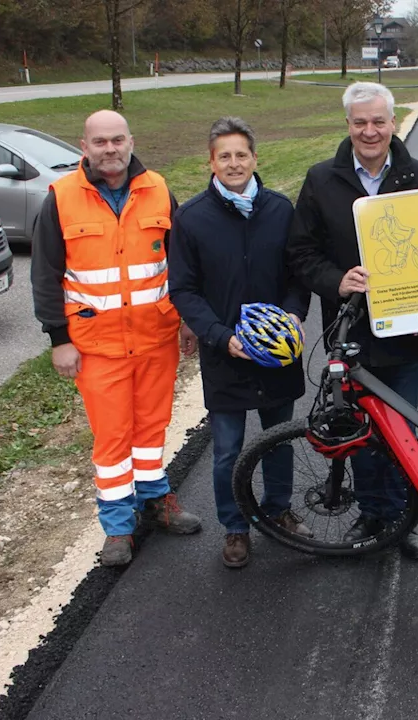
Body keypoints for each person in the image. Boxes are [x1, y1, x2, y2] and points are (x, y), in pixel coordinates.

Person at [285, 81, 418, 561]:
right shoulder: (321, 179)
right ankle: (373, 512)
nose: (370, 131)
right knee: (359, 430)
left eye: (379, 121)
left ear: (393, 122)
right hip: (349, 332)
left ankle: (403, 519)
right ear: (349, 126)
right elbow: (301, 252)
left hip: (403, 331)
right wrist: (338, 280)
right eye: (360, 122)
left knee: (402, 433)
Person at [31, 110, 201, 567]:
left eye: (118, 140)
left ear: (131, 141)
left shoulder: (159, 189)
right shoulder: (62, 198)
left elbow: (181, 262)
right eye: (100, 141)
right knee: (112, 439)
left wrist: (187, 318)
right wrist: (58, 338)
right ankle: (119, 528)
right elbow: (45, 274)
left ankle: (156, 501)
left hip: (156, 337)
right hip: (95, 344)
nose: (110, 149)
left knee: (150, 430)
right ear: (83, 146)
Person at [168, 117, 313, 569]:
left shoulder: (279, 209)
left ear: (255, 158)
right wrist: (219, 335)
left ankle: (279, 510)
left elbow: (297, 273)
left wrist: (293, 313)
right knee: (228, 448)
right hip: (225, 353)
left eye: (241, 154)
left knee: (278, 439)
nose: (234, 163)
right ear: (211, 162)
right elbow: (184, 290)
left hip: (276, 353)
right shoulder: (191, 218)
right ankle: (235, 527)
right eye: (224, 156)